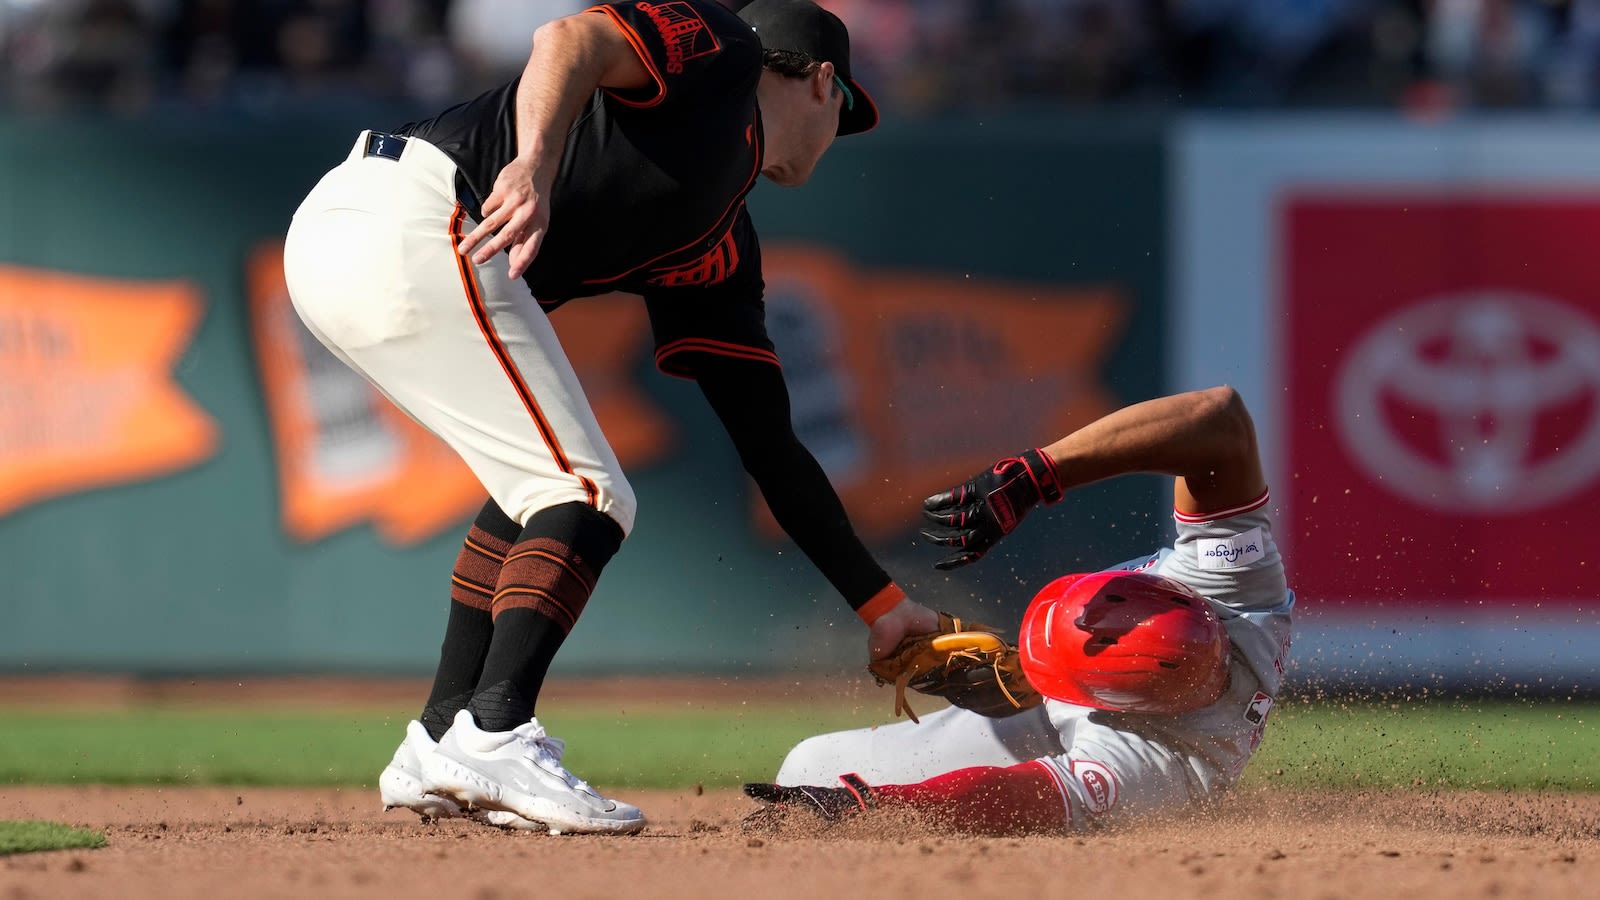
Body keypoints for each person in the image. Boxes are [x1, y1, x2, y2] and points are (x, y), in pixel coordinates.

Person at [281, 0, 942, 836]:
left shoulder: (721, 245)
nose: (838, 135)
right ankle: (496, 733)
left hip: (360, 242)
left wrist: (882, 606)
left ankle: (443, 735)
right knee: (587, 492)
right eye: (845, 112)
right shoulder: (727, 54)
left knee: (538, 489)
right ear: (820, 83)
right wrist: (533, 161)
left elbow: (771, 448)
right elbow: (569, 38)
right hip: (407, 213)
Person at [743, 386, 1295, 834]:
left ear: (1091, 692)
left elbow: (1019, 797)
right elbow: (1218, 417)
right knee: (807, 763)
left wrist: (875, 804)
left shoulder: (1161, 765)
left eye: (1040, 670)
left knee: (814, 773)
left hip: (1093, 744)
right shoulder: (1232, 591)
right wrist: (1038, 474)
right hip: (1111, 695)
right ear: (1169, 596)